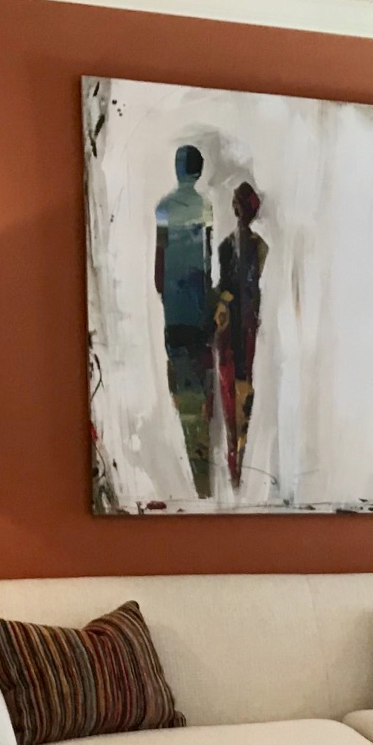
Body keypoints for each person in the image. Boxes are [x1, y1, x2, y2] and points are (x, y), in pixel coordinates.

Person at [155, 145, 216, 498]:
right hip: (196, 300)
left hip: (175, 304)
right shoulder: (205, 207)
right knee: (199, 367)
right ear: (198, 171)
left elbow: (159, 262)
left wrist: (164, 288)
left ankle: (190, 437)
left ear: (179, 170)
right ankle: (201, 455)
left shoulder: (163, 208)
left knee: (180, 372)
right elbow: (207, 260)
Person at [215, 182, 268, 493]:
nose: (237, 210)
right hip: (240, 327)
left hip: (244, 328)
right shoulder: (234, 247)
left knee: (240, 390)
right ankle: (236, 457)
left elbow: (229, 288)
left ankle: (238, 457)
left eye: (238, 204)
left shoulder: (253, 246)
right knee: (237, 388)